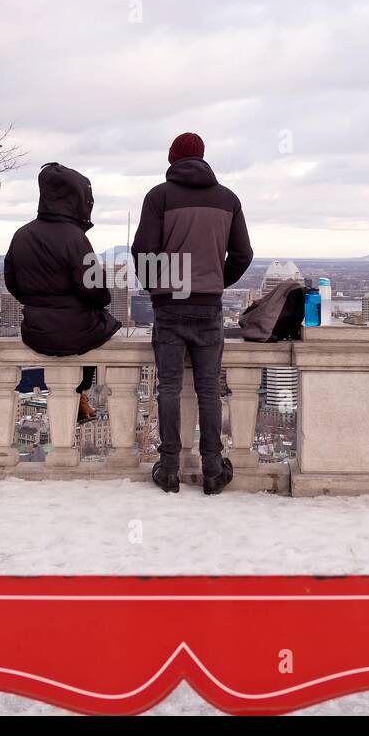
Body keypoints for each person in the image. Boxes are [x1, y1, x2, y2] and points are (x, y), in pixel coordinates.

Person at [131, 132, 253, 494]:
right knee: (209, 389)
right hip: (208, 306)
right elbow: (243, 255)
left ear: (172, 159)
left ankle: (169, 469)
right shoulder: (228, 199)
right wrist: (216, 280)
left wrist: (158, 288)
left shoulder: (158, 197)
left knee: (168, 387)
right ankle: (213, 470)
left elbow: (142, 250)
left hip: (169, 306)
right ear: (203, 157)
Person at [4, 162, 121, 422]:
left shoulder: (21, 235)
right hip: (76, 332)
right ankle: (80, 392)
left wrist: (38, 303)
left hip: (35, 330)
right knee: (104, 323)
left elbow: (12, 282)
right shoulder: (75, 238)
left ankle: (79, 397)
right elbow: (96, 290)